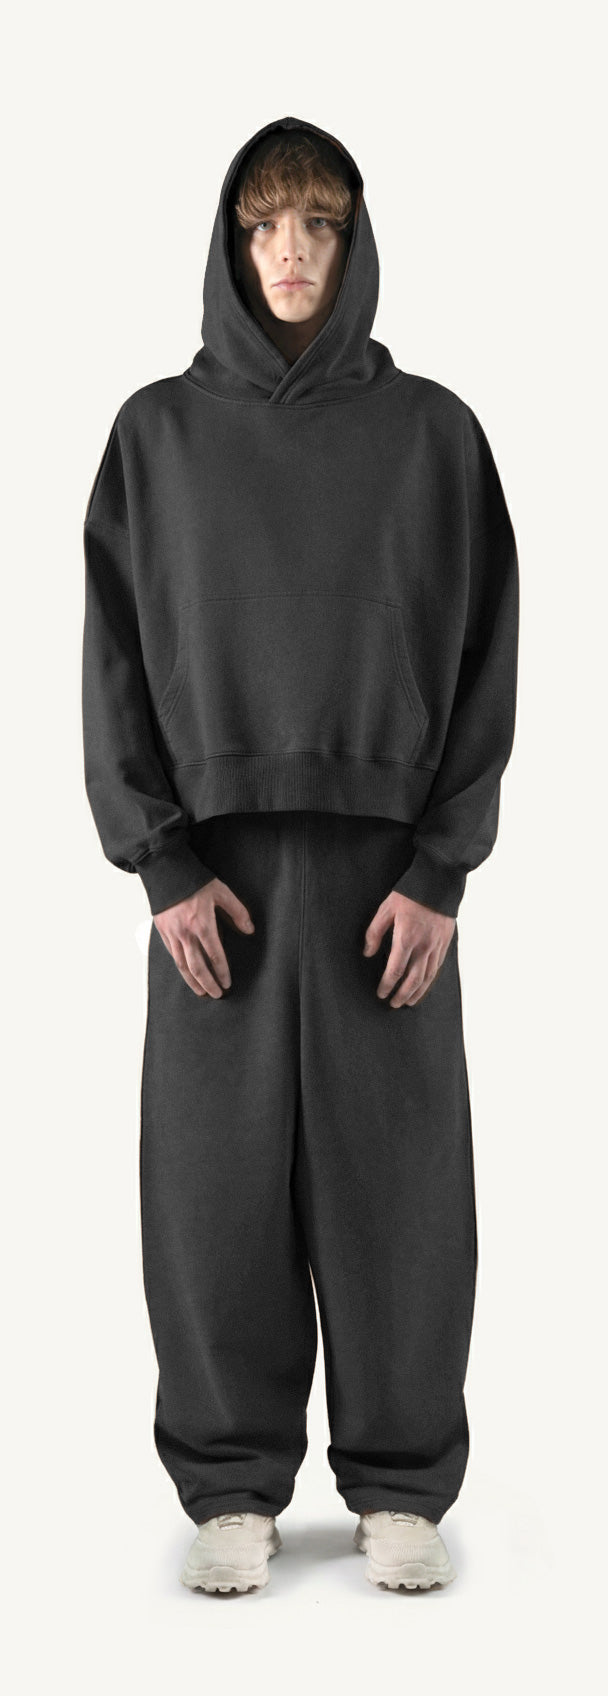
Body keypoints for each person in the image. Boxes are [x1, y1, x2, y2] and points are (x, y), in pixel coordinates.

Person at [82, 114, 519, 1595]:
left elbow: (487, 657)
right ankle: (229, 1479)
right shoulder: (156, 435)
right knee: (212, 1182)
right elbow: (114, 662)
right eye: (265, 225)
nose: (291, 253)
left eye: (319, 225)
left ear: (356, 242)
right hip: (213, 878)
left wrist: (442, 870)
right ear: (228, 243)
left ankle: (399, 1477)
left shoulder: (434, 436)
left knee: (401, 1183)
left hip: (387, 884)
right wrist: (159, 863)